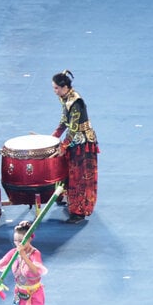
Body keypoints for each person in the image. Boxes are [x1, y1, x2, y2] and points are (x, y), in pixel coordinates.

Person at [51, 70, 99, 224]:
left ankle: (79, 211)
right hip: (74, 142)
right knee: (66, 172)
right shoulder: (64, 98)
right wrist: (51, 139)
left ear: (65, 87)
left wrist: (63, 145)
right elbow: (63, 122)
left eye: (56, 88)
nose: (55, 91)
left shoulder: (75, 102)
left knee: (80, 177)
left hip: (83, 143)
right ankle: (66, 197)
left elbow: (73, 128)